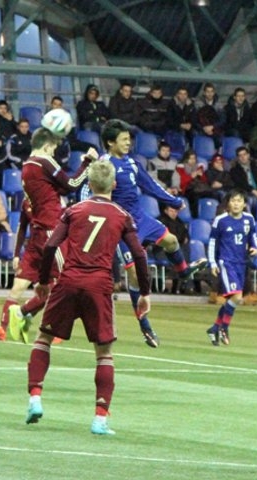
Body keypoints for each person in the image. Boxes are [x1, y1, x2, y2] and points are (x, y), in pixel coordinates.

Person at [23, 159, 151, 435]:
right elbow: (139, 255)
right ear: (114, 185)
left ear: (89, 184)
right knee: (104, 353)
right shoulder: (121, 215)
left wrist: (43, 282)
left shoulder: (74, 210)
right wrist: (145, 293)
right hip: (99, 286)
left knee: (44, 339)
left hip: (68, 281)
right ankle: (100, 419)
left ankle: (35, 398)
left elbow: (51, 246)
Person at [101, 119, 207, 348]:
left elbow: (150, 185)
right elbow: (89, 192)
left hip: (140, 217)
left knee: (171, 240)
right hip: (120, 225)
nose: (128, 143)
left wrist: (175, 201)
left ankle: (184, 272)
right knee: (135, 276)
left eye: (129, 139)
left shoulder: (131, 163)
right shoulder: (103, 165)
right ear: (110, 142)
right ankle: (145, 326)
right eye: (123, 139)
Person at [0, 128, 95, 342]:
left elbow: (59, 189)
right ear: (47, 146)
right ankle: (31, 318)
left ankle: (13, 324)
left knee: (23, 286)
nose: (54, 152)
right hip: (50, 231)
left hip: (38, 234)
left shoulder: (27, 166)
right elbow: (72, 184)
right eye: (54, 148)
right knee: (66, 281)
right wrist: (87, 162)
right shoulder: (45, 161)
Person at [206, 188, 257, 346]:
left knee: (233, 299)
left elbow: (253, 237)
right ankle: (224, 328)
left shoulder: (249, 219)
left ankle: (215, 328)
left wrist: (256, 248)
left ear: (244, 204)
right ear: (228, 204)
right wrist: (213, 263)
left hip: (241, 263)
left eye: (239, 201)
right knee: (237, 297)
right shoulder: (221, 220)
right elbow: (212, 242)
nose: (236, 204)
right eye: (233, 201)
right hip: (226, 262)